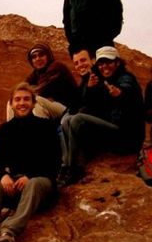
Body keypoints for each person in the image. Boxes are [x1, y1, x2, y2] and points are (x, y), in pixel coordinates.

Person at [0, 83, 61, 242]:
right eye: (17, 100)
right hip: (15, 186)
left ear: (34, 103)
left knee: (34, 183)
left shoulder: (46, 127)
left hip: (40, 184)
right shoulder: (5, 130)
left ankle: (9, 230)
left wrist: (30, 176)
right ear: (11, 104)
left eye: (26, 99)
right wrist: (2, 176)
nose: (22, 103)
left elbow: (54, 161)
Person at [59, 46, 144, 184]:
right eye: (101, 63)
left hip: (126, 136)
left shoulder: (125, 77)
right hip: (111, 129)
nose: (105, 67)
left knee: (77, 120)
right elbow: (86, 105)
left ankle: (75, 168)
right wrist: (90, 89)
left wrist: (120, 93)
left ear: (117, 62)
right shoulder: (99, 79)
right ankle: (67, 166)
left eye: (108, 62)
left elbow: (127, 90)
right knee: (67, 119)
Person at [25, 43, 79, 108]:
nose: (37, 59)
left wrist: (31, 90)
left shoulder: (56, 67)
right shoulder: (37, 72)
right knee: (14, 102)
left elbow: (40, 90)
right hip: (57, 107)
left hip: (70, 109)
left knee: (37, 101)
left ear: (48, 56)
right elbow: (23, 87)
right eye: (34, 57)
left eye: (41, 55)